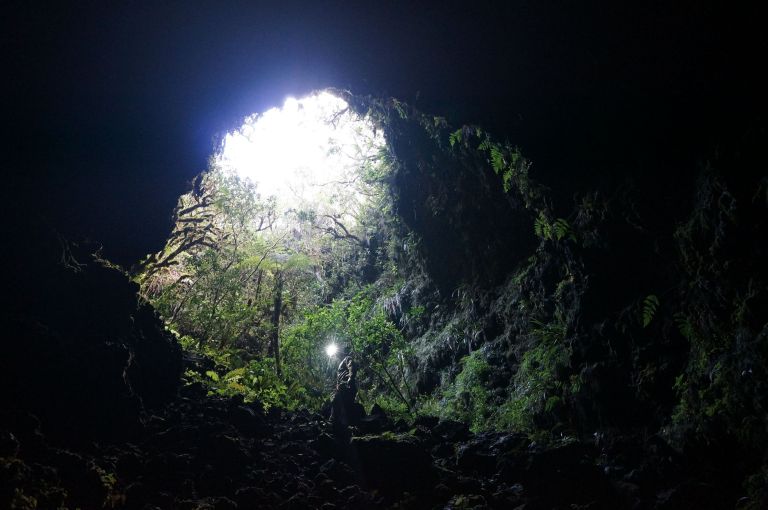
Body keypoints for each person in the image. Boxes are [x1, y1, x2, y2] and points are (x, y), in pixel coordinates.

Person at [330, 350, 362, 431]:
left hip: (346, 386)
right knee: (343, 406)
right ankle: (341, 427)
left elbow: (351, 366)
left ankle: (339, 425)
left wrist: (351, 377)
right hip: (343, 387)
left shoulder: (347, 358)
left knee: (340, 403)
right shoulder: (341, 363)